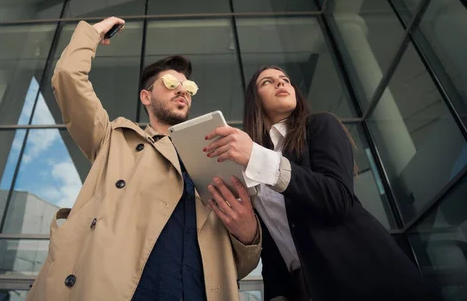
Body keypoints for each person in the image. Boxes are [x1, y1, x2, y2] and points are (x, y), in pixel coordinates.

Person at [26, 17, 261, 301]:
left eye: (189, 88)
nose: (182, 91)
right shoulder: (115, 139)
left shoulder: (213, 158)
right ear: (145, 96)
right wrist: (92, 34)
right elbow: (67, 78)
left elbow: (238, 265)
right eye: (172, 82)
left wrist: (249, 235)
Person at [204, 65, 440, 301]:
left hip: (363, 277)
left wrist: (257, 156)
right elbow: (277, 243)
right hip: (304, 287)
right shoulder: (252, 168)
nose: (280, 83)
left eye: (285, 79)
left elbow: (337, 199)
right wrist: (277, 294)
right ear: (254, 101)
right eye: (267, 82)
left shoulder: (320, 125)